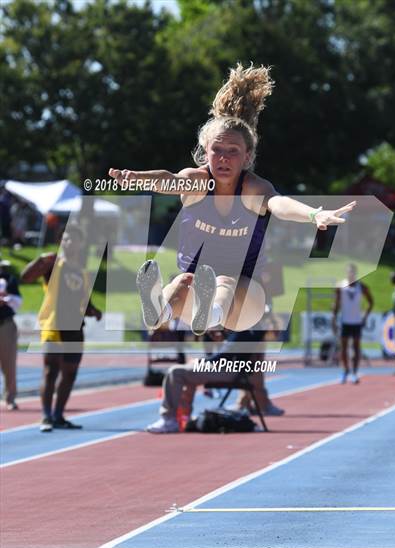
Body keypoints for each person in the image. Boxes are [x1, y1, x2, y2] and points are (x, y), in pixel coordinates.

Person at [109, 63, 356, 337]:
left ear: (247, 156)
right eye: (217, 150)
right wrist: (137, 177)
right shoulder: (197, 182)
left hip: (245, 300)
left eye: (233, 151)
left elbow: (278, 204)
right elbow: (170, 180)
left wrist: (314, 215)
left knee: (223, 281)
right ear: (205, 151)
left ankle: (209, 314)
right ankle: (159, 313)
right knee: (181, 282)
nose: (224, 158)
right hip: (194, 294)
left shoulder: (252, 188)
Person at [21, 225, 102, 432]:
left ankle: (58, 415)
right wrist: (39, 260)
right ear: (60, 242)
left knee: (70, 374)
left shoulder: (83, 273)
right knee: (51, 371)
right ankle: (46, 416)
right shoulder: (52, 265)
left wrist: (94, 311)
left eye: (72, 239)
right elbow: (25, 277)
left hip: (75, 329)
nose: (68, 243)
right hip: (53, 326)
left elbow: (85, 303)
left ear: (80, 243)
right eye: (65, 239)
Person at [146, 328, 281, 433]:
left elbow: (226, 355)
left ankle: (169, 419)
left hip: (230, 370)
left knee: (175, 372)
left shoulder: (247, 326)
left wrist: (202, 361)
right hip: (229, 368)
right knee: (185, 370)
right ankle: (183, 417)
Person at [332, 263, 373, 384]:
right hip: (345, 321)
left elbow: (371, 302)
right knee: (343, 348)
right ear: (346, 273)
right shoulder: (340, 286)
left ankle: (354, 373)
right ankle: (345, 371)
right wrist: (333, 318)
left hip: (356, 322)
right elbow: (336, 304)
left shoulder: (362, 287)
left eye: (353, 272)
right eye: (348, 272)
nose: (350, 274)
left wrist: (365, 316)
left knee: (356, 348)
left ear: (356, 274)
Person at [0, 259, 22, 410]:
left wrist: (5, 299)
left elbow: (18, 300)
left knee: (9, 363)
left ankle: (10, 397)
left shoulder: (9, 279)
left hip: (5, 323)